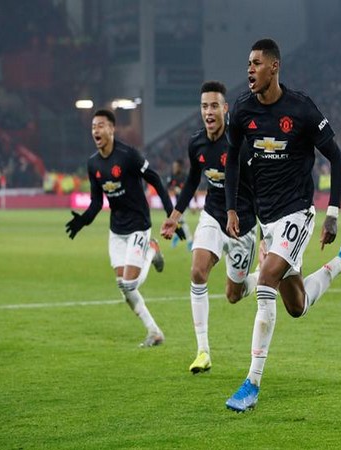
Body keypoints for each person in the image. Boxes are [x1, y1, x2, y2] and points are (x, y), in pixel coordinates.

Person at [224, 38, 341, 412]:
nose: (249, 70)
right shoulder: (242, 110)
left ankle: (251, 384)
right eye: (248, 64)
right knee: (296, 306)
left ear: (274, 67)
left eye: (256, 63)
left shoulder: (301, 108)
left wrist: (333, 213)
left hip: (298, 212)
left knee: (267, 279)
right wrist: (231, 209)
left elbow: (335, 158)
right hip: (266, 219)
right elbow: (232, 164)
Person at [161, 80, 259, 374]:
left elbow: (259, 186)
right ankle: (203, 351)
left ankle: (259, 277)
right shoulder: (196, 143)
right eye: (204, 106)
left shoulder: (240, 144)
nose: (209, 111)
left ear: (225, 109)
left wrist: (265, 231)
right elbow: (193, 179)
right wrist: (175, 214)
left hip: (244, 224)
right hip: (214, 215)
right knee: (197, 270)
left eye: (214, 105)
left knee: (233, 294)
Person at [65, 109, 183, 347]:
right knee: (124, 287)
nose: (95, 131)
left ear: (111, 129)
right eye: (93, 127)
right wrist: (83, 220)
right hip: (116, 231)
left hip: (139, 225)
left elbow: (155, 179)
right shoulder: (93, 164)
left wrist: (171, 214)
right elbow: (98, 202)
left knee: (130, 284)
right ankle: (154, 332)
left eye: (100, 126)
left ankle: (151, 250)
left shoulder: (128, 155)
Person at [165, 159, 193, 249]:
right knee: (178, 221)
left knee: (181, 222)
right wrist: (174, 189)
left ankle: (189, 241)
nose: (174, 168)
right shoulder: (173, 176)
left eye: (176, 167)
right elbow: (167, 186)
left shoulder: (185, 177)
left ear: (180, 167)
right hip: (177, 204)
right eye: (173, 167)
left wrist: (193, 204)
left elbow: (190, 190)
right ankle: (177, 237)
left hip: (185, 204)